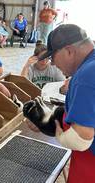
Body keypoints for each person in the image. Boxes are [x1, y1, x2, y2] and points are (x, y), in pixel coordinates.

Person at [30, 24, 95, 182]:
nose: (52, 64)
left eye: (53, 57)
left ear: (69, 51)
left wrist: (58, 133)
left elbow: (81, 140)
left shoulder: (84, 77)